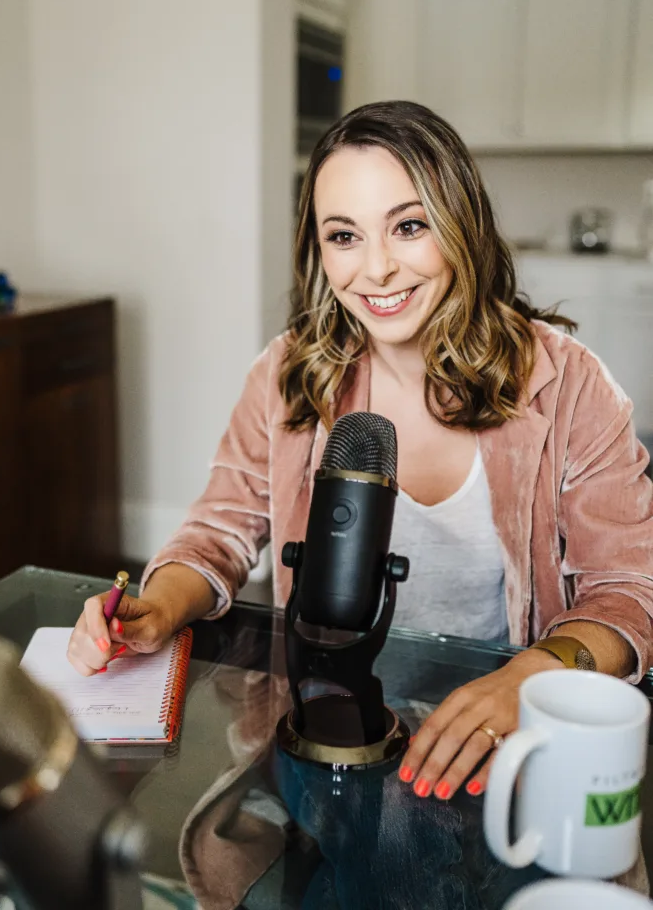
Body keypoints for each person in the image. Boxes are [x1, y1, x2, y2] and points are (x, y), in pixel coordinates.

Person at [68, 100, 653, 805]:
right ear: (317, 249)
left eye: (408, 227)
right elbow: (218, 530)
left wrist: (530, 675)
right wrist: (155, 607)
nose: (375, 270)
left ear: (460, 225)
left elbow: (628, 590)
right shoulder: (290, 374)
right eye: (343, 236)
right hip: (332, 733)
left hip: (501, 751)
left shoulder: (567, 385)